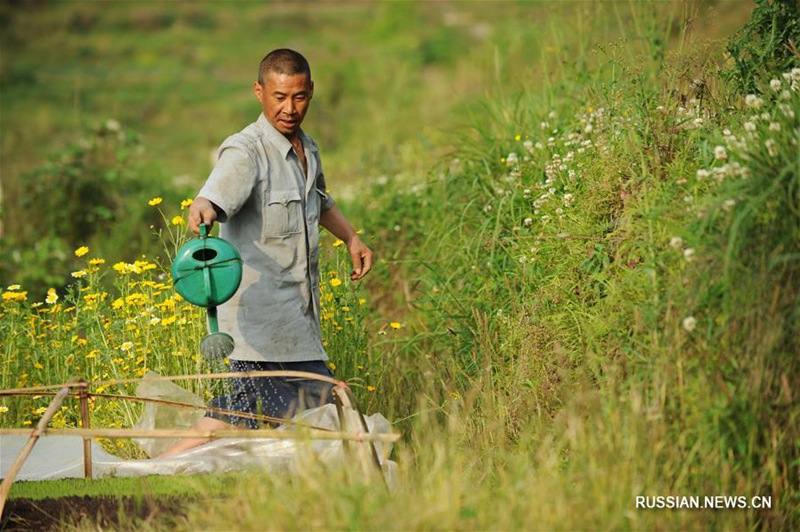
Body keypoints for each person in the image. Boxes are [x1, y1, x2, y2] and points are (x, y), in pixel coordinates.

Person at [158, 49, 373, 458]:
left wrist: (351, 239)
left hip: (299, 328)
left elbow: (321, 201)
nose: (289, 108)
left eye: (299, 97)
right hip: (257, 335)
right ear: (259, 92)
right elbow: (214, 197)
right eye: (278, 97)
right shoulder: (246, 151)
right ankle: (150, 476)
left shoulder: (308, 149)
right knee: (231, 422)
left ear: (310, 93)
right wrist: (202, 208)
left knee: (310, 419)